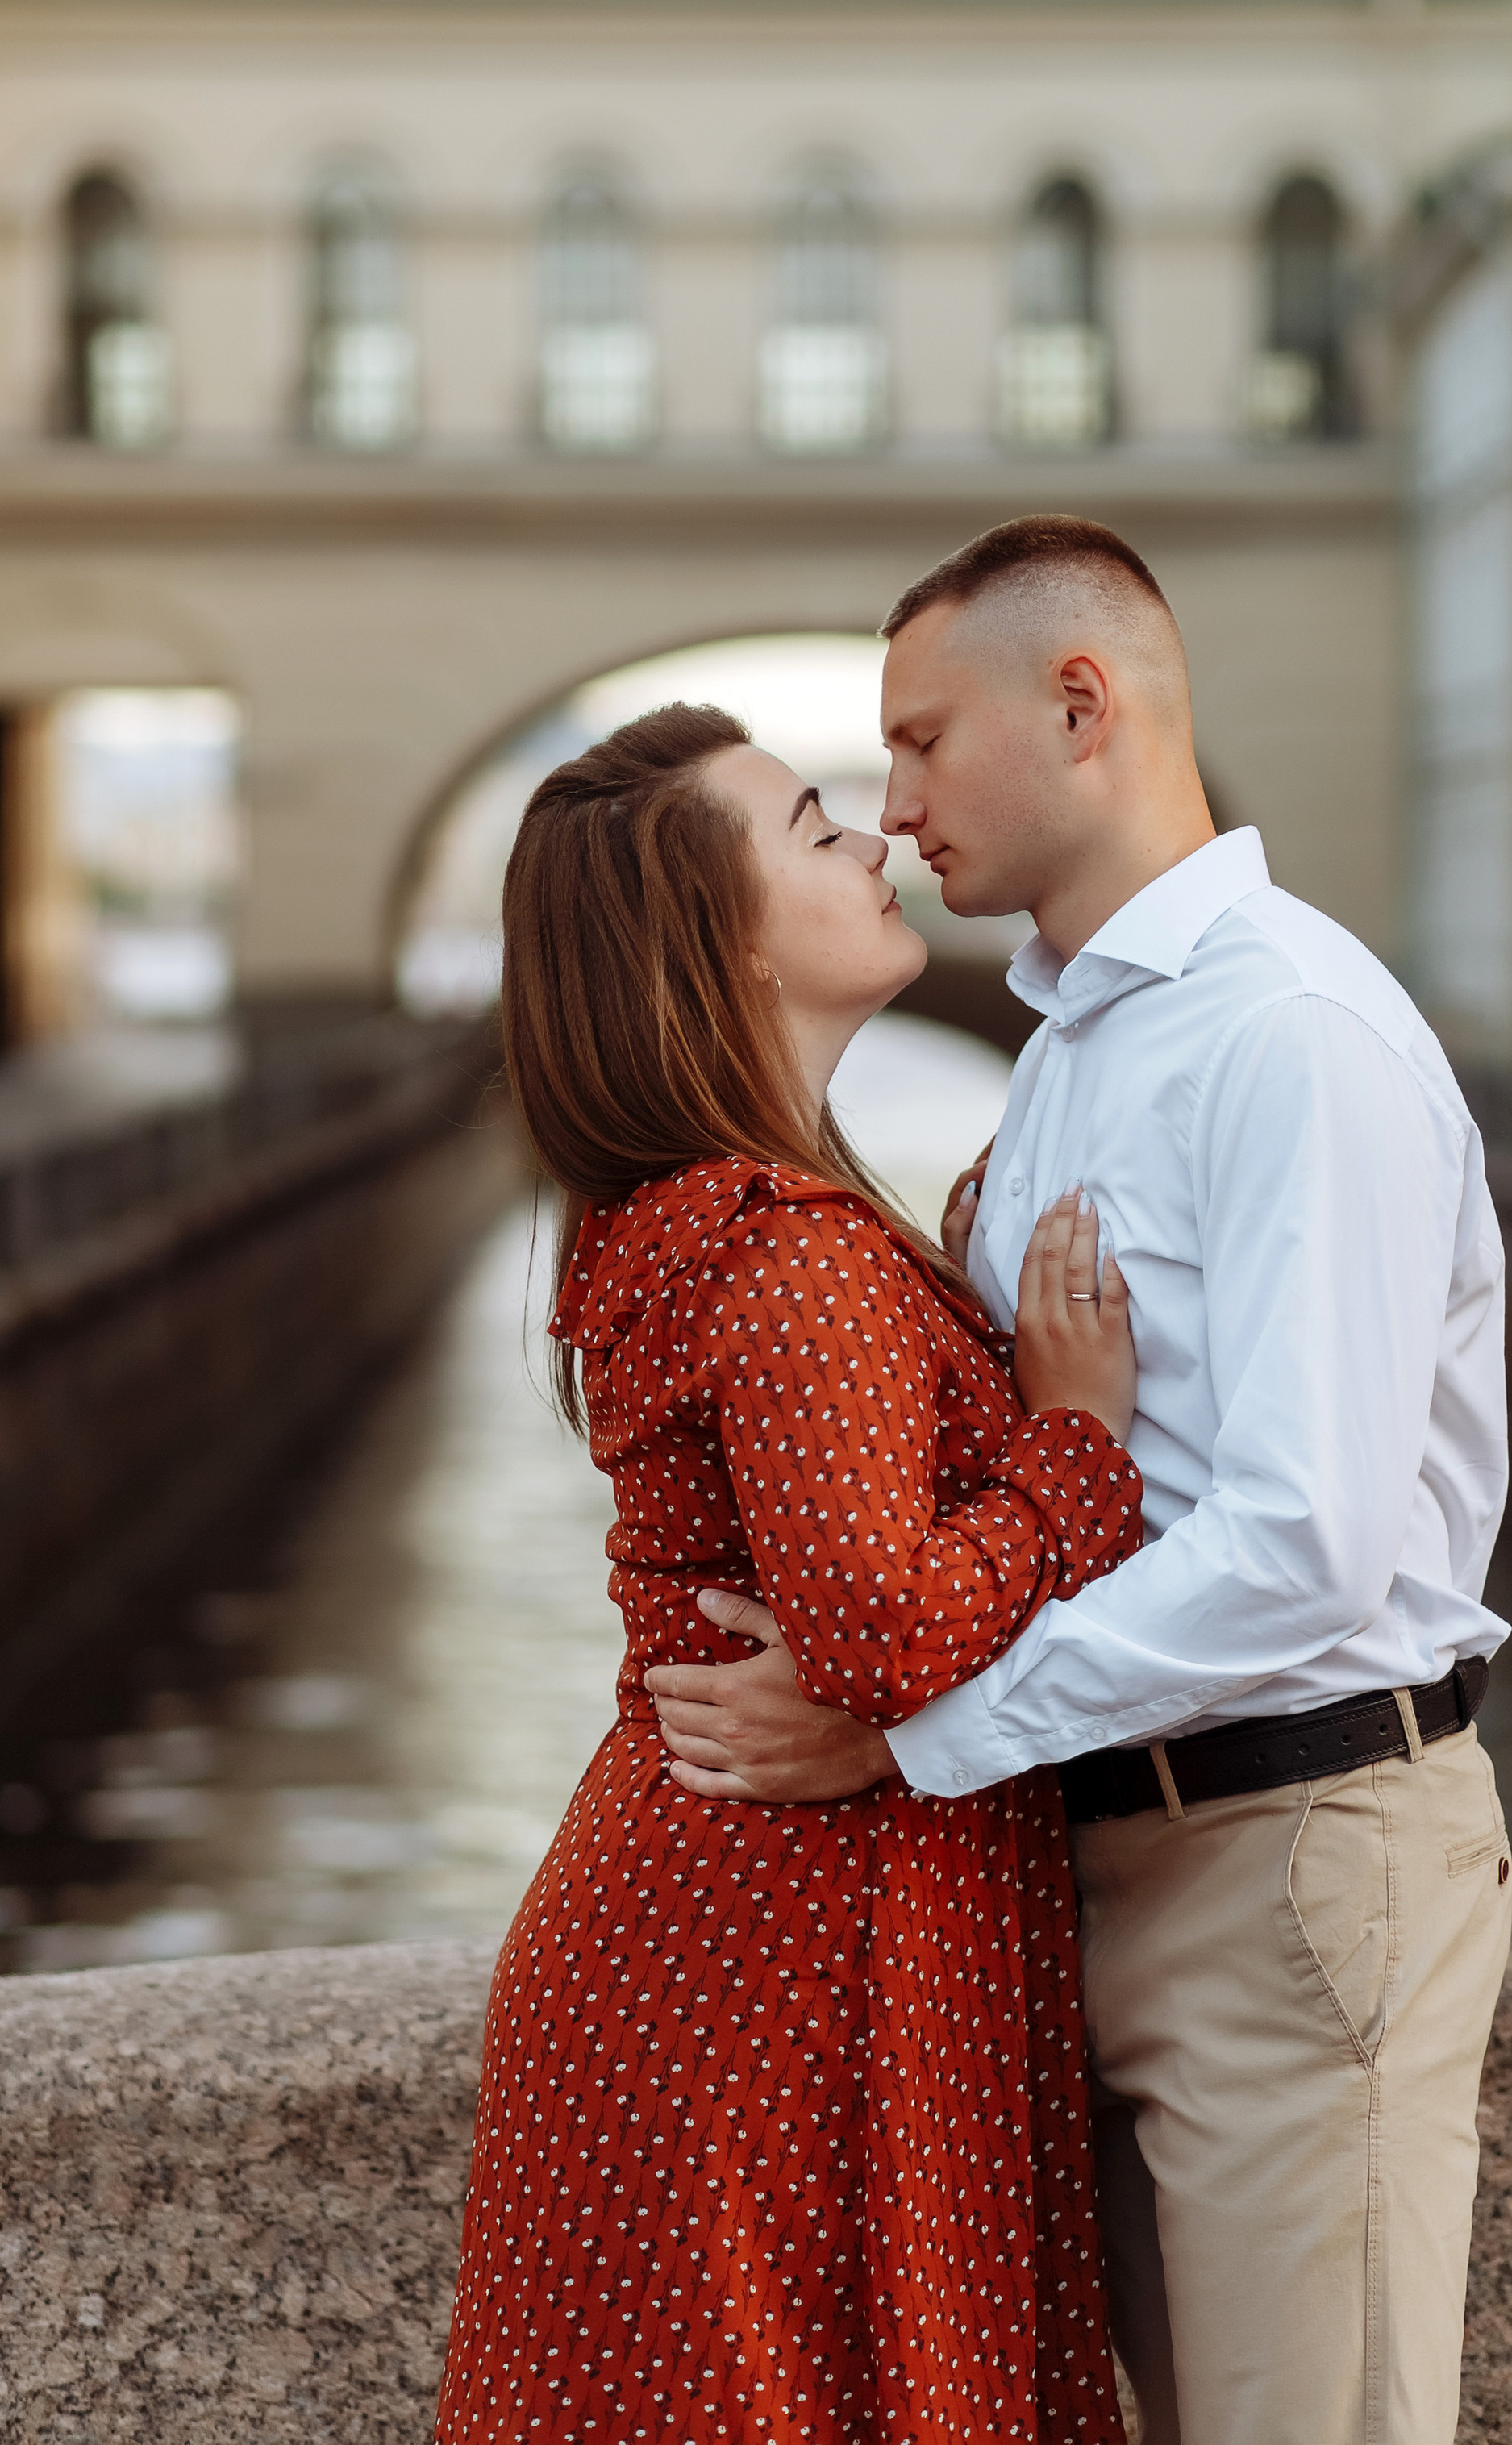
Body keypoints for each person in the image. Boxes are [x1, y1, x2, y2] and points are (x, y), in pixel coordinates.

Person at [648, 517, 1512, 2445]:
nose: (894, 808)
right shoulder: (1075, 1039)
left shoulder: (1286, 1033)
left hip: (1288, 1856)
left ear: (1077, 705)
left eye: (919, 743)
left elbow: (1302, 1544)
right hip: (1100, 1855)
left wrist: (905, 1735)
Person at [435, 699, 1150, 2444]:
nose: (876, 838)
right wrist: (1070, 1440)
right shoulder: (787, 1260)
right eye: (815, 830)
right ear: (724, 944)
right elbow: (882, 1631)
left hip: (730, 1931)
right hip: (776, 1956)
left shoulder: (707, 1219)